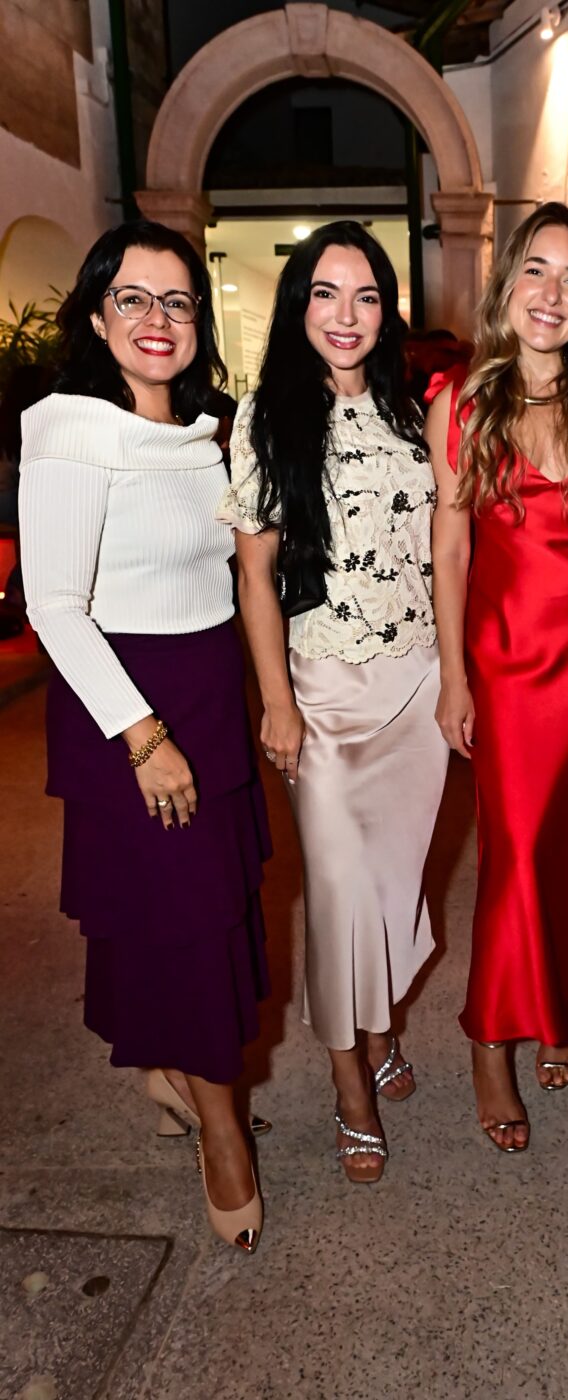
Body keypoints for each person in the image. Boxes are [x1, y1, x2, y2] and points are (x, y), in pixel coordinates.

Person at [19, 220, 270, 1251]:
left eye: (177, 301)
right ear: (96, 314)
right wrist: (142, 735)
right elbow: (56, 604)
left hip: (210, 693)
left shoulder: (207, 429)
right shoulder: (75, 431)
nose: (158, 320)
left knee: (212, 918)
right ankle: (221, 1127)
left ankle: (173, 1073)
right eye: (134, 298)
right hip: (137, 707)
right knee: (187, 926)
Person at [220, 222, 448, 1184]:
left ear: (387, 308)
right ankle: (350, 1078)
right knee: (342, 896)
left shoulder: (412, 410)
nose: (345, 316)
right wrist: (275, 701)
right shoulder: (264, 418)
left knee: (394, 895)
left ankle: (382, 1023)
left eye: (364, 296)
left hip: (419, 690)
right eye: (324, 293)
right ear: (297, 306)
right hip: (324, 695)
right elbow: (255, 576)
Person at [426, 201, 568, 1153]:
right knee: (514, 853)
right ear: (506, 285)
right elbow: (445, 549)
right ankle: (491, 1039)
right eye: (535, 272)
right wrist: (452, 676)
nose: (551, 295)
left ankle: (553, 1002)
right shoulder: (460, 401)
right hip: (511, 665)